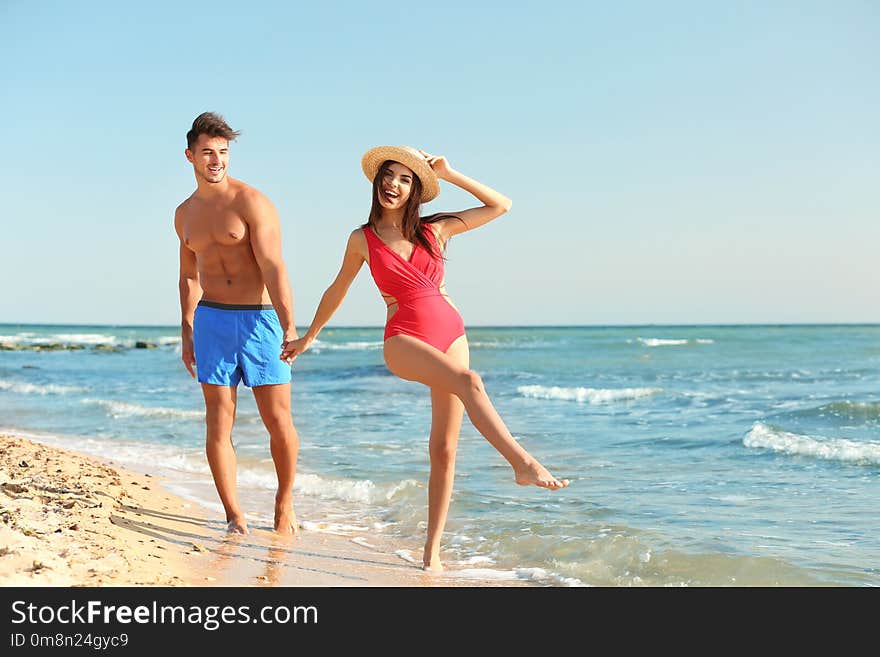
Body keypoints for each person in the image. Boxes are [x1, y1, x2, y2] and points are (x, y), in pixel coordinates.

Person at [285, 146, 569, 570]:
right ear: (376, 180)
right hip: (403, 337)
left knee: (445, 450)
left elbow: (501, 205)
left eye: (404, 179)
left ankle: (431, 554)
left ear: (415, 189)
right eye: (388, 175)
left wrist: (450, 174)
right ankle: (522, 462)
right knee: (470, 382)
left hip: (452, 333)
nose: (393, 184)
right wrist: (309, 336)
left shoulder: (436, 230)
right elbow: (337, 288)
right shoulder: (362, 238)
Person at [174, 112, 299, 536]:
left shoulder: (252, 202)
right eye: (207, 152)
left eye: (223, 152)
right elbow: (189, 276)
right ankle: (234, 514)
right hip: (212, 321)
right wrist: (187, 329)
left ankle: (284, 502)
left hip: (260, 321)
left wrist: (289, 326)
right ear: (190, 156)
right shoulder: (184, 215)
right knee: (218, 418)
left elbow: (273, 265)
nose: (216, 160)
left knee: (277, 418)